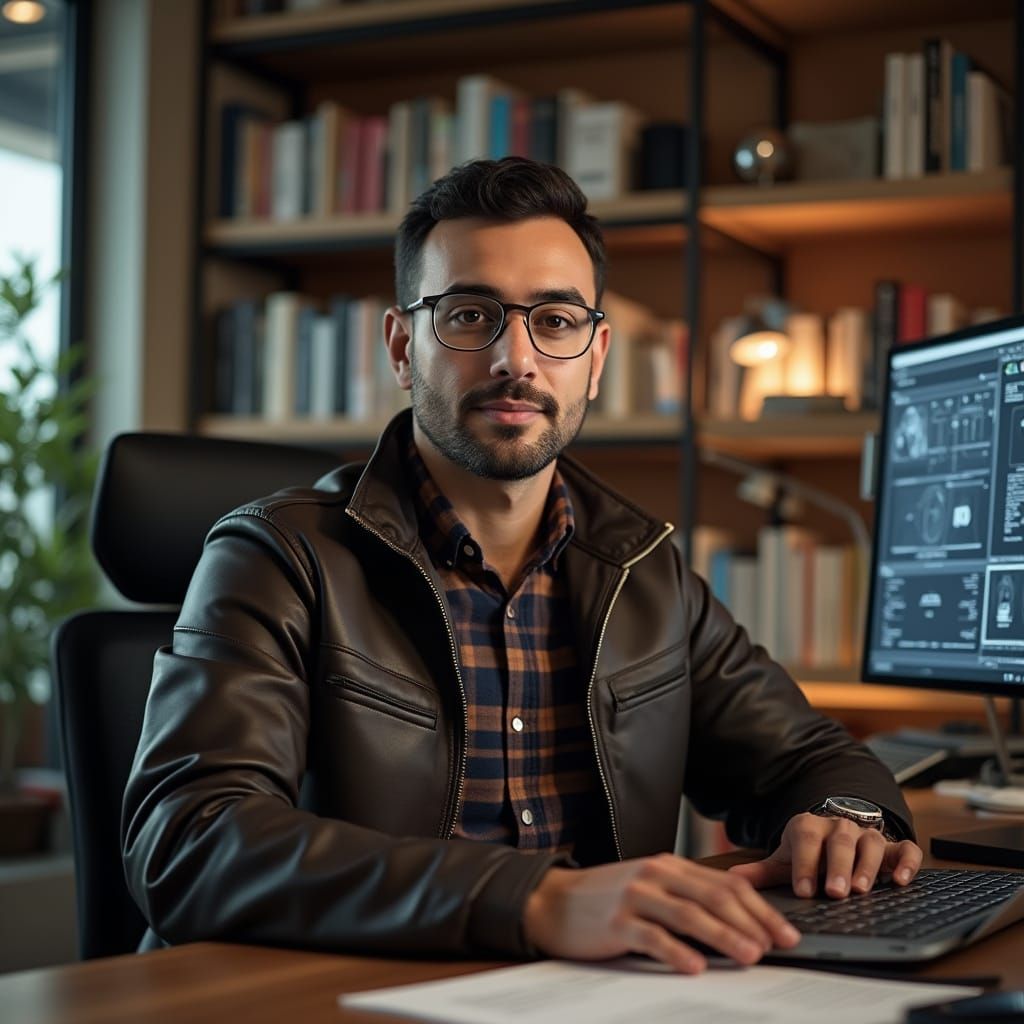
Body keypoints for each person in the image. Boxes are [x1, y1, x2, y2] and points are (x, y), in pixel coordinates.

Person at [122, 157, 922, 973]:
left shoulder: (641, 569)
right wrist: (532, 897)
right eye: (470, 315)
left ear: (597, 355)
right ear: (403, 348)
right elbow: (188, 839)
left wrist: (844, 817)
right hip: (343, 994)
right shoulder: (280, 556)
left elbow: (809, 757)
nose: (516, 357)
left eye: (557, 320)